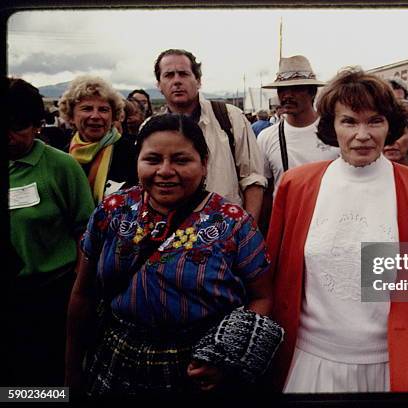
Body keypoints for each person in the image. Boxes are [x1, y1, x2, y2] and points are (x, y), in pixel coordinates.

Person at [267, 68, 408, 393]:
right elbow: (275, 274)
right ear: (331, 126)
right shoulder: (296, 184)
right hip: (309, 360)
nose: (363, 134)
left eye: (375, 121)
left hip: (391, 364)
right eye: (350, 121)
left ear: (390, 125)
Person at [64, 113, 274, 396]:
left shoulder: (233, 223)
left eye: (181, 160)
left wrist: (225, 356)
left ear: (204, 164)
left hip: (199, 366)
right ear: (137, 162)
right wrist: (72, 369)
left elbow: (262, 297)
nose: (165, 171)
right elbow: (83, 293)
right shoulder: (112, 211)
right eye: (152, 160)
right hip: (116, 358)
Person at [6, 77, 95, 386]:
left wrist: (78, 290)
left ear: (36, 126)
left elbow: (86, 231)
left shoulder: (61, 167)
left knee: (48, 378)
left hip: (51, 296)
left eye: (16, 125)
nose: (8, 135)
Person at [154, 49, 266, 222]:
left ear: (198, 81)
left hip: (226, 231)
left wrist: (247, 231)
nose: (176, 81)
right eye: (169, 75)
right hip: (170, 235)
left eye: (183, 74)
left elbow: (253, 179)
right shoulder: (150, 128)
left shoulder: (230, 117)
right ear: (159, 85)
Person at [258, 55, 339, 196]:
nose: (287, 96)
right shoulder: (267, 137)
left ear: (312, 92)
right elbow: (265, 189)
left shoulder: (335, 131)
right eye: (282, 90)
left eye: (296, 89)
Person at [59, 75, 138, 203]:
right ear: (71, 116)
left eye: (103, 109)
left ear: (113, 116)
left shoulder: (131, 153)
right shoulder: (61, 155)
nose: (95, 116)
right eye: (87, 108)